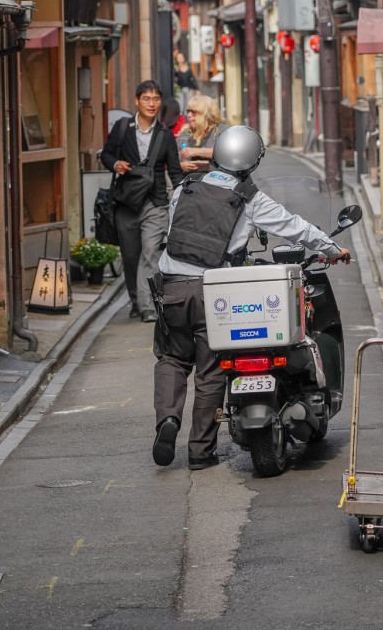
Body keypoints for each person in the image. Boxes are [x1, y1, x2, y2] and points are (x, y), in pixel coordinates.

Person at [151, 126, 352, 471]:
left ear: (218, 153)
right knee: (211, 370)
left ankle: (168, 420)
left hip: (170, 287)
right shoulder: (249, 198)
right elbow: (294, 227)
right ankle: (200, 452)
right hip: (211, 291)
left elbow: (172, 231)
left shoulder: (185, 187)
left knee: (171, 358)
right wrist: (333, 249)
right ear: (251, 162)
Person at [100, 81, 184, 322]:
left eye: (156, 99)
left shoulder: (165, 135)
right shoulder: (121, 128)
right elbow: (106, 154)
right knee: (131, 255)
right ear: (137, 101)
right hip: (126, 202)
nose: (151, 103)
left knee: (150, 253)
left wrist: (182, 196)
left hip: (155, 202)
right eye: (146, 99)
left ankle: (147, 306)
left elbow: (175, 171)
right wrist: (115, 164)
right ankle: (137, 301)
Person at [176, 95, 228, 174]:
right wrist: (181, 166)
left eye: (193, 112)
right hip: (190, 182)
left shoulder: (221, 130)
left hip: (217, 181)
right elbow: (172, 160)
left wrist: (197, 152)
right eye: (188, 111)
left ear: (206, 114)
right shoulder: (185, 133)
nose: (189, 115)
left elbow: (227, 153)